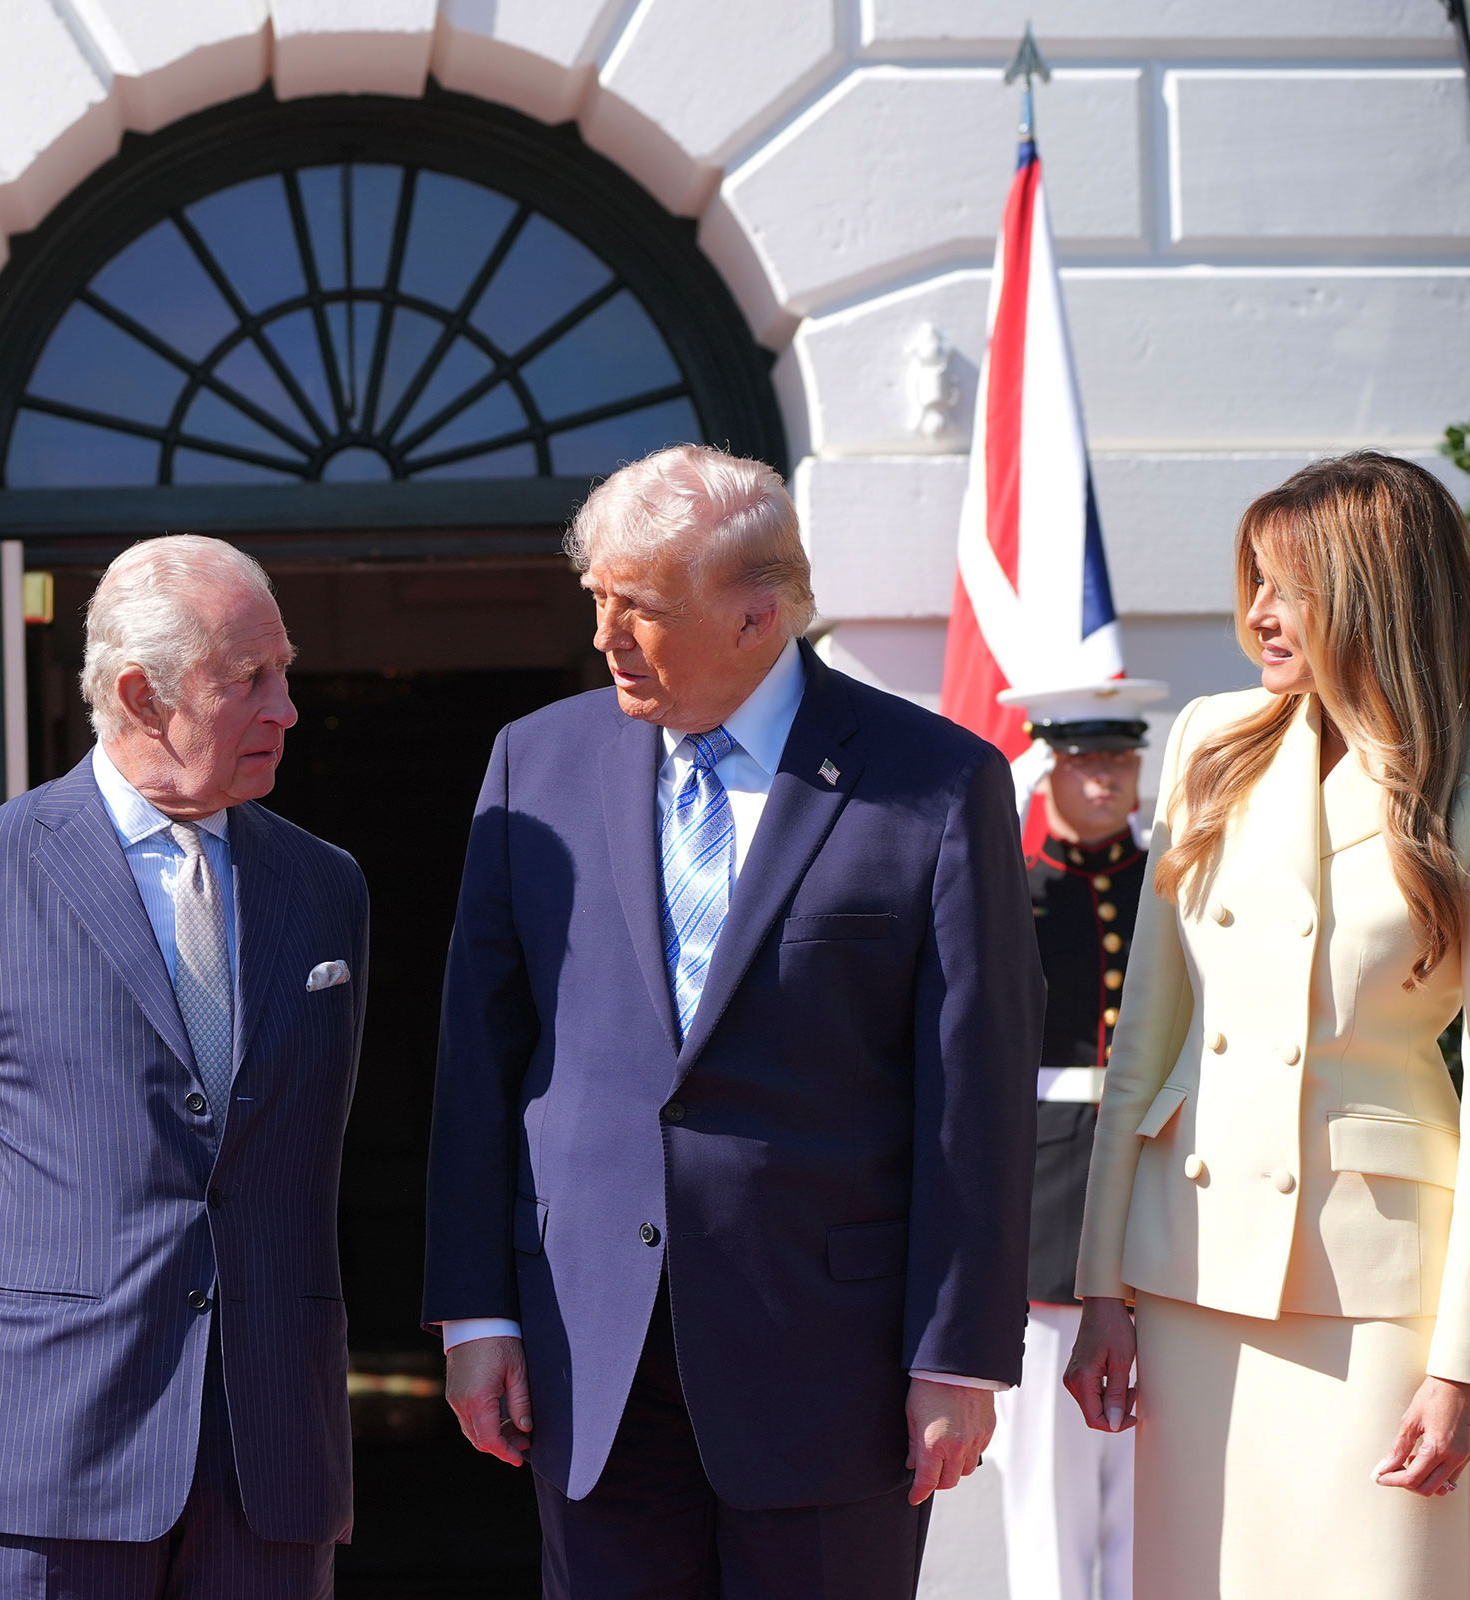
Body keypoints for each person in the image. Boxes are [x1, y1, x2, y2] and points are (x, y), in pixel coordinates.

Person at [423, 445, 1044, 1600]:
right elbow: (481, 1060)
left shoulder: (936, 780)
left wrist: (957, 1353)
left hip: (832, 1364)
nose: (605, 636)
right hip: (588, 1351)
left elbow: (977, 1089)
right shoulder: (534, 763)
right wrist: (475, 1312)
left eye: (640, 609)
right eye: (597, 600)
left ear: (758, 615)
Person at [1064, 453, 1470, 1599]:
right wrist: (1103, 1286)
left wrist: (1468, 1366)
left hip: (1384, 1303)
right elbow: (1145, 1040)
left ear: (1375, 594)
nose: (1256, 612)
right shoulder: (1210, 741)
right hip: (1192, 1273)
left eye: (1287, 587)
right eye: (1254, 580)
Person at [0, 535, 369, 1598]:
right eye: (250, 678)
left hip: (271, 1447)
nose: (287, 708)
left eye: (284, 672)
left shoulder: (326, 886)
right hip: (49, 1443)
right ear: (145, 695)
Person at [985, 679, 1167, 1600]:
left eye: (1119, 758)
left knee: (1157, 1487)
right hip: (1050, 1199)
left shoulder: (1173, 888)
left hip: (1164, 1191)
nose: (1105, 777)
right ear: (1048, 767)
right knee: (1049, 1485)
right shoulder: (1013, 895)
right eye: (1083, 759)